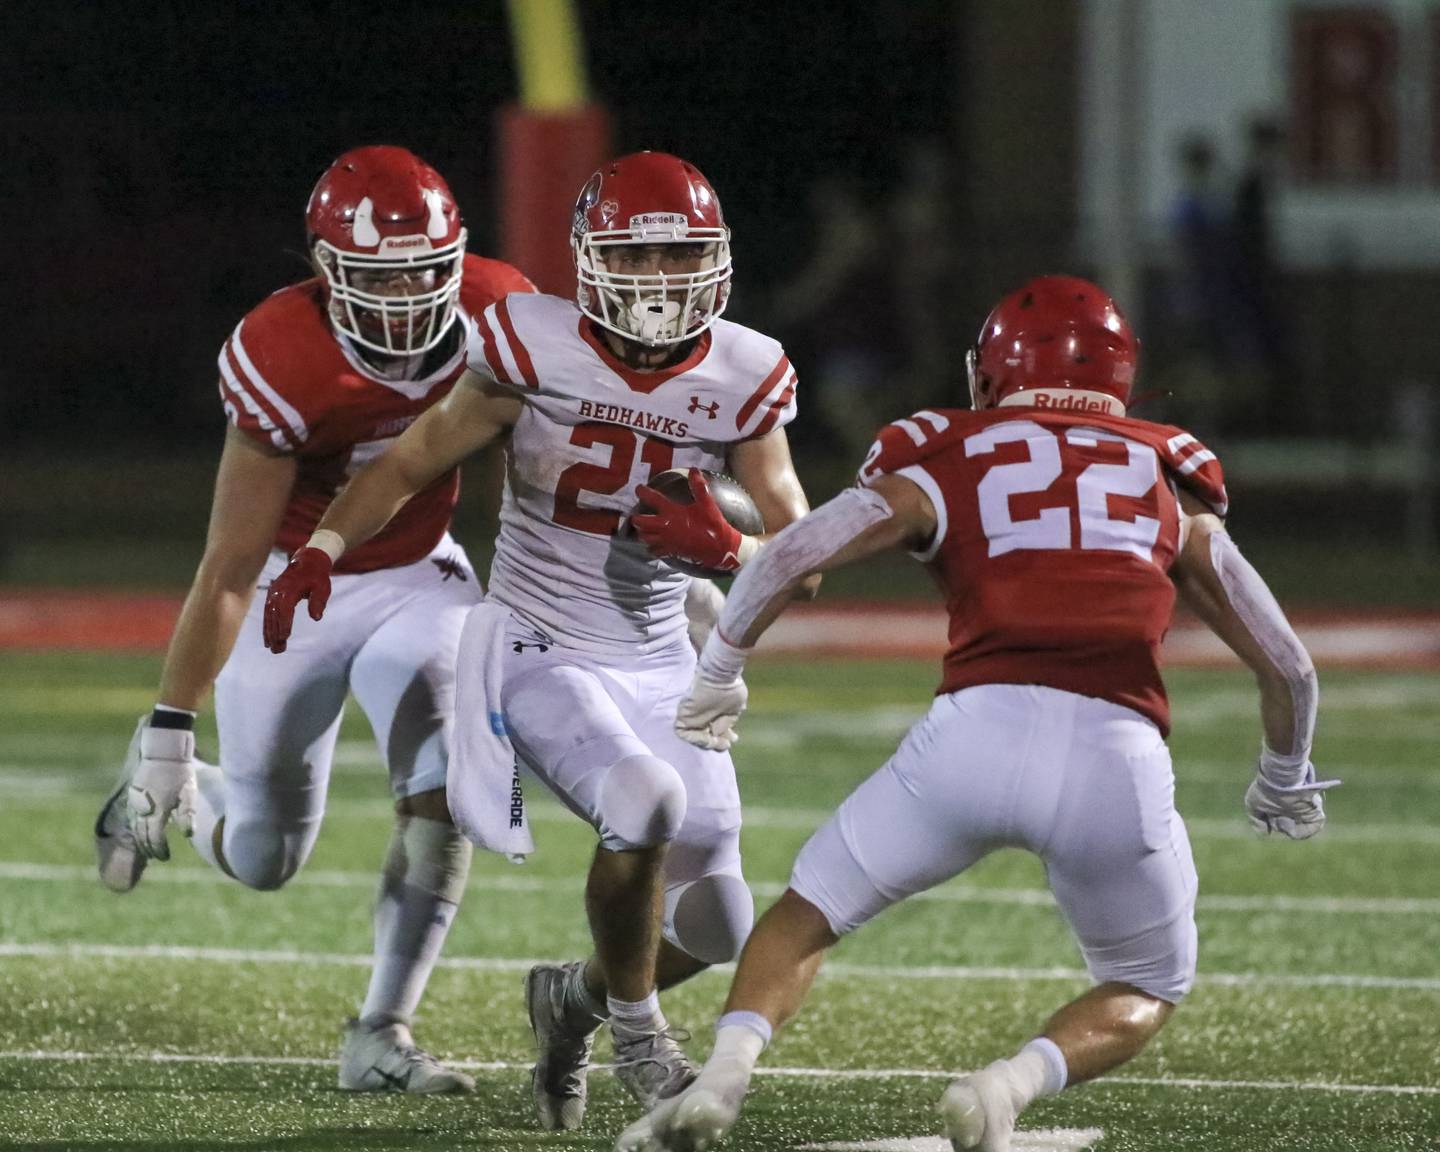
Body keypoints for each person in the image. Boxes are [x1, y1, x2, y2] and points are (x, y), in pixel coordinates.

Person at [617, 275, 1337, 1152]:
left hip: (971, 739)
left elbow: (797, 550)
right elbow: (1290, 666)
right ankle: (1006, 1088)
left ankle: (721, 1085)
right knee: (1148, 982)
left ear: (992, 374)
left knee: (805, 914)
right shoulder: (1165, 477)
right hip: (1118, 755)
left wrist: (722, 667)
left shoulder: (945, 452)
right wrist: (1285, 775)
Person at [260, 151, 819, 1130]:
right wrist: (324, 546)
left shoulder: (746, 370)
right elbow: (412, 458)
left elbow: (802, 554)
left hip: (660, 658)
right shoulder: (531, 344)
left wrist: (733, 545)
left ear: (717, 260)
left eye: (678, 258)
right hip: (535, 641)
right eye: (633, 262)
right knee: (643, 804)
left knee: (720, 920)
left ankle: (571, 1002)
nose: (657, 284)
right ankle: (642, 1039)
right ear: (589, 264)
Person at [93, 145, 536, 1093]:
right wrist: (171, 728)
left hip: (420, 572)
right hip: (297, 585)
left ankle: (381, 1030)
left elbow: (536, 467)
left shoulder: (499, 309)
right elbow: (232, 561)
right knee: (262, 857)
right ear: (326, 272)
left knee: (445, 783)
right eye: (380, 275)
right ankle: (174, 781)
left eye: (425, 269)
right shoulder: (281, 353)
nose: (409, 295)